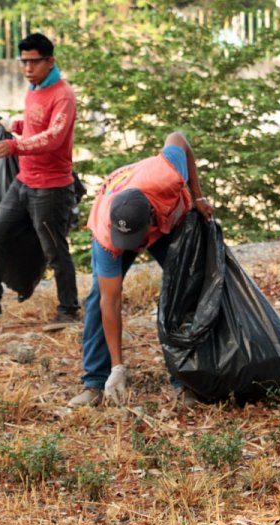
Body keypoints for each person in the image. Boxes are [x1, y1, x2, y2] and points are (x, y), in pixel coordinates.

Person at [68, 132, 214, 408]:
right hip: (122, 203)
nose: (136, 247)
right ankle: (96, 381)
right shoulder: (107, 235)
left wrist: (198, 196)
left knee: (185, 289)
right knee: (99, 296)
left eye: (137, 239)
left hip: (168, 221)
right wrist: (118, 366)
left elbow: (178, 138)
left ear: (150, 218)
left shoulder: (167, 175)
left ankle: (186, 382)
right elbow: (110, 302)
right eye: (129, 243)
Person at [0, 33, 80, 331]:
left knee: (55, 251)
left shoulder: (63, 95)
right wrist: (11, 127)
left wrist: (15, 146)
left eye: (33, 62)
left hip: (51, 188)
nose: (27, 68)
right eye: (23, 62)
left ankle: (69, 310)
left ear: (50, 61)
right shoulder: (34, 89)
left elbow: (54, 137)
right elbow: (37, 125)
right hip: (24, 182)